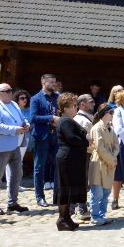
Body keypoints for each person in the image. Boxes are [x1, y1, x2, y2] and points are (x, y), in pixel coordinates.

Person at [0, 82, 30, 216]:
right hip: (2, 147)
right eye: (8, 91)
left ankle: (13, 203)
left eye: (11, 90)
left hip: (16, 145)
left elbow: (22, 118)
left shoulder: (14, 104)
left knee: (17, 174)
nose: (11, 92)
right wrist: (15, 130)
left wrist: (26, 125)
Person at [53, 93, 88, 231]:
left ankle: (67, 217)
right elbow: (71, 138)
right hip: (67, 158)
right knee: (65, 188)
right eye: (74, 105)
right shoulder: (65, 121)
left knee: (69, 188)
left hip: (72, 158)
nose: (76, 108)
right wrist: (86, 141)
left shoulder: (68, 120)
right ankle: (62, 219)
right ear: (66, 108)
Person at [29, 73, 60, 207]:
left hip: (56, 137)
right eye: (51, 82)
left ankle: (58, 196)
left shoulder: (57, 97)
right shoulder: (36, 99)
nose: (54, 84)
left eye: (55, 81)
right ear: (43, 83)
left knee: (59, 166)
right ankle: (40, 197)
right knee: (39, 167)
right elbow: (33, 118)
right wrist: (51, 119)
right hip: (42, 137)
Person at [88, 103, 119, 226]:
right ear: (104, 113)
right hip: (98, 163)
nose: (112, 115)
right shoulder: (97, 128)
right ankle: (95, 216)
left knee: (106, 191)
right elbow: (100, 148)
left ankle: (102, 215)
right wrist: (112, 160)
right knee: (97, 192)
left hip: (109, 163)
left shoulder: (111, 128)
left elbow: (116, 145)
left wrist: (113, 158)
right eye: (111, 112)